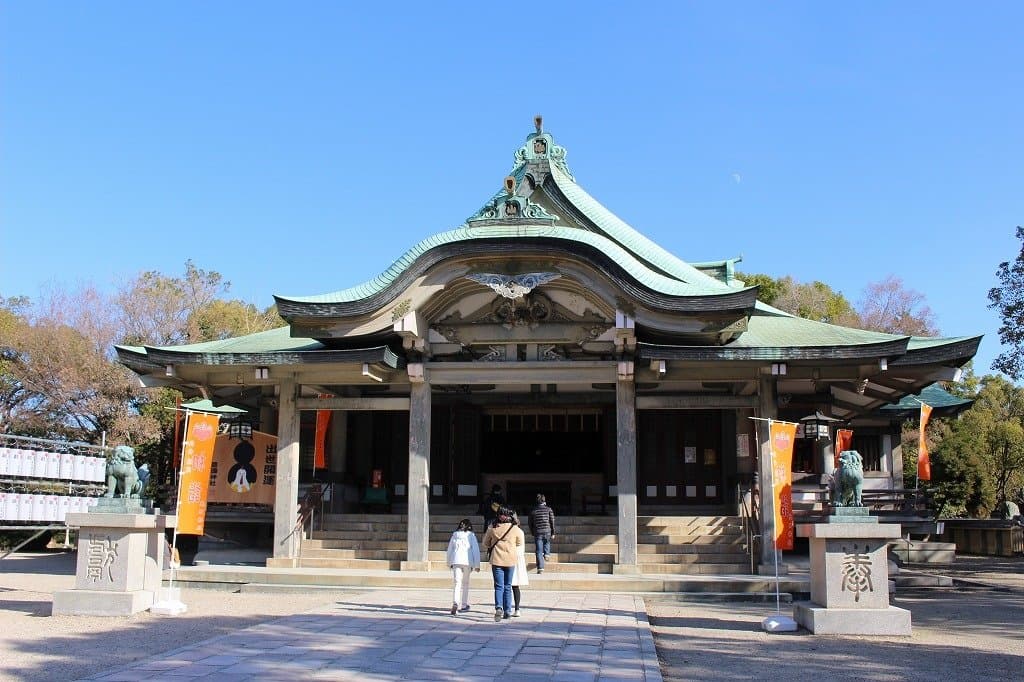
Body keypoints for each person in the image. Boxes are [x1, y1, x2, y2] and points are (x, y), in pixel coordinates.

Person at [482, 506, 524, 621]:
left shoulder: (492, 527)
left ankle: (499, 607)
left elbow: (485, 543)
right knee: (508, 586)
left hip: (497, 559)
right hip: (510, 559)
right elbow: (519, 542)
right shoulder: (514, 528)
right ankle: (508, 611)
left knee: (498, 586)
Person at [446, 518, 481, 616]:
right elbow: (475, 550)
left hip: (456, 560)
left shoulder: (455, 535)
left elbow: (450, 549)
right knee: (465, 583)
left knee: (457, 583)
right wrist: (477, 564)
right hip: (467, 561)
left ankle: (455, 602)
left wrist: (449, 562)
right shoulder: (471, 535)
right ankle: (464, 604)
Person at [528, 493, 556, 573]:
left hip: (538, 532)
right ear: (544, 501)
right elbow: (552, 521)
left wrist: (532, 532)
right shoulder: (549, 509)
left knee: (539, 550)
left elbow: (530, 523)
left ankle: (540, 568)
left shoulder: (533, 511)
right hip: (547, 531)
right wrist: (553, 532)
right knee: (547, 542)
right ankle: (547, 554)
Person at [509, 511, 528, 617]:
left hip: (511, 558)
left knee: (511, 585)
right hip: (515, 557)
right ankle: (516, 608)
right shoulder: (519, 531)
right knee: (515, 586)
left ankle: (513, 608)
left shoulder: (516, 531)